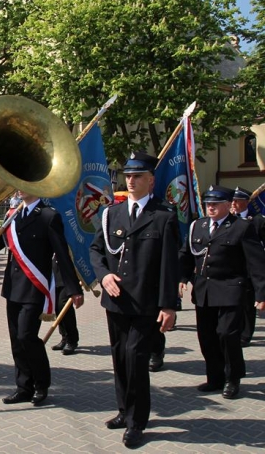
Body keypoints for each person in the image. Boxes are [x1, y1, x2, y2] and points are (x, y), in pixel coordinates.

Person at [89, 151, 179, 448]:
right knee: (120, 358)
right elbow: (96, 251)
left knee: (136, 358)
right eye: (127, 175)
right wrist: (104, 276)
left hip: (145, 303)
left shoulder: (163, 216)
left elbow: (168, 265)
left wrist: (169, 305)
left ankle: (137, 422)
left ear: (151, 180)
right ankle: (124, 410)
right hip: (116, 301)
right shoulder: (111, 214)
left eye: (137, 176)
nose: (130, 180)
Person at [0, 189, 84, 406]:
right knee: (16, 340)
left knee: (26, 336)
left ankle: (41, 384)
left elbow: (62, 254)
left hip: (35, 288)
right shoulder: (13, 217)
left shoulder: (48, 216)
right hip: (12, 288)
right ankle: (23, 387)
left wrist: (73, 288)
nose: (20, 188)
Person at [179, 185, 265, 399]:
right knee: (206, 337)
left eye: (216, 204)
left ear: (228, 205)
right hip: (204, 291)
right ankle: (215, 377)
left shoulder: (241, 227)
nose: (211, 207)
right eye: (208, 203)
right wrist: (181, 278)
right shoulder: (198, 226)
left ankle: (233, 378)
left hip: (230, 289)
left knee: (227, 335)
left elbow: (256, 262)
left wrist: (261, 294)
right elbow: (186, 255)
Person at [230, 186, 265, 347]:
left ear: (246, 202)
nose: (234, 203)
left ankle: (245, 335)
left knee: (247, 304)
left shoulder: (257, 220)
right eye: (232, 200)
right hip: (232, 268)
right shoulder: (229, 219)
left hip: (250, 269)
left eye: (237, 200)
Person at [51, 257, 81, 355]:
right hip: (54, 274)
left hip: (67, 276)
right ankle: (64, 337)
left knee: (63, 305)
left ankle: (72, 340)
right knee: (57, 307)